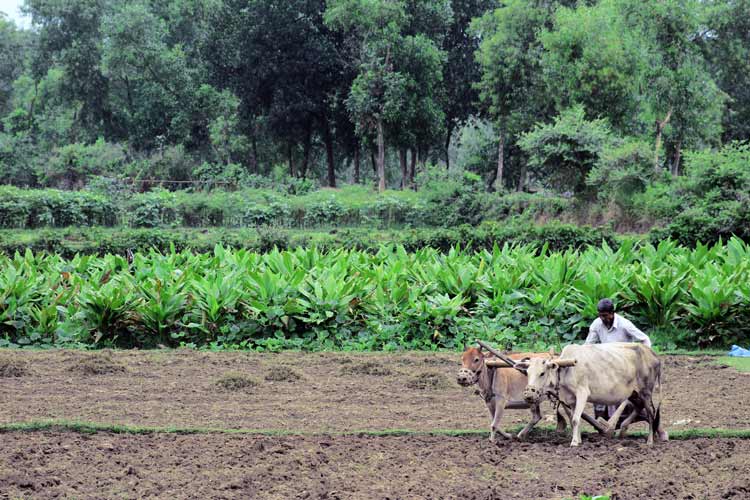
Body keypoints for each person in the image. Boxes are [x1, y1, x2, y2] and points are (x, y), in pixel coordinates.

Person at [585, 298, 652, 424]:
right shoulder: (596, 324)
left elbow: (645, 339)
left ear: (612, 313)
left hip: (623, 366)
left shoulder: (624, 324)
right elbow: (588, 345)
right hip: (605, 365)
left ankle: (638, 417)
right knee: (599, 394)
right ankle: (604, 422)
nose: (603, 319)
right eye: (600, 316)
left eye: (605, 316)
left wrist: (645, 359)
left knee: (625, 397)